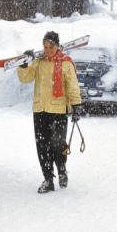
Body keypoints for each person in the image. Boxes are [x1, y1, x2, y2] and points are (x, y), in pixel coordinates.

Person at [17, 31, 83, 194]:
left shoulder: (66, 63)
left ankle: (61, 170)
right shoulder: (38, 62)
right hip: (40, 109)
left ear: (57, 46)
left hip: (58, 110)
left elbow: (72, 86)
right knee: (42, 146)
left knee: (58, 144)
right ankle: (48, 179)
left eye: (50, 46)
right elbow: (25, 78)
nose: (47, 50)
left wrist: (76, 105)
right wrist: (24, 65)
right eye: (45, 46)